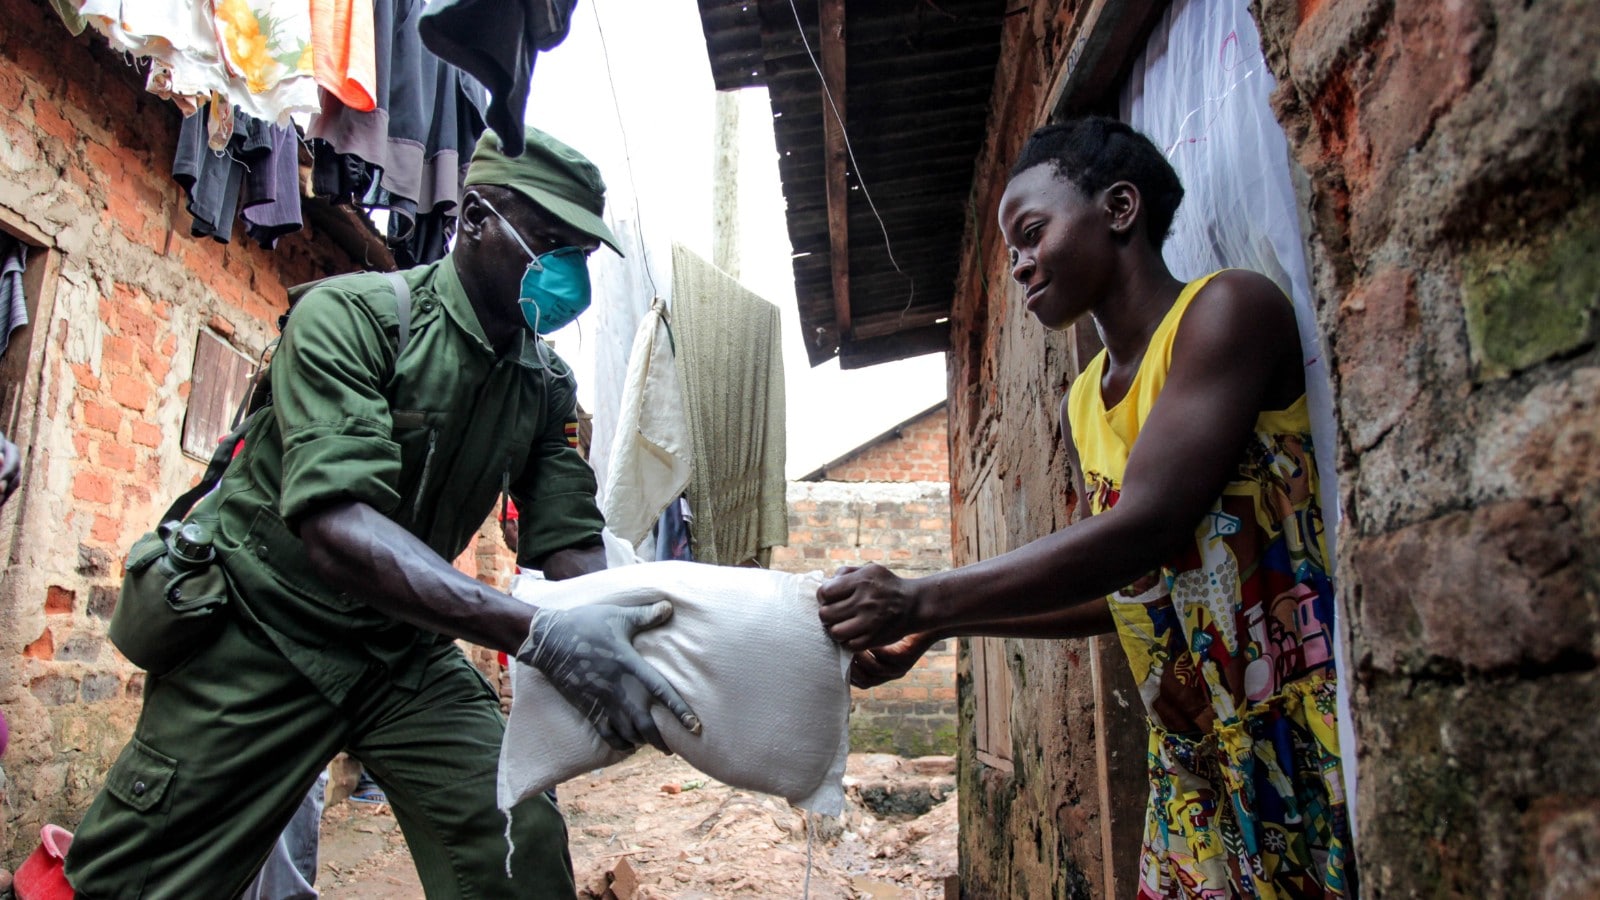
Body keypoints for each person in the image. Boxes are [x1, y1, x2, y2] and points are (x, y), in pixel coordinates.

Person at [65, 126, 700, 899]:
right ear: (471, 218)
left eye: (581, 254)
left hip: (403, 654)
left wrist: (670, 644)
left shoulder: (543, 385)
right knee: (142, 881)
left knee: (518, 837)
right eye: (548, 241)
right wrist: (538, 633)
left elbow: (569, 549)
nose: (568, 273)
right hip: (265, 631)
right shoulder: (352, 319)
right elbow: (337, 530)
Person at [817, 117, 1352, 898]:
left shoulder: (1227, 311)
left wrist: (920, 594)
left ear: (1121, 208)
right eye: (1012, 252)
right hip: (1195, 761)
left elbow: (1149, 526)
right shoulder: (1084, 402)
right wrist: (934, 628)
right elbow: (1131, 590)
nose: (1023, 266)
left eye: (1032, 233)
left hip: (1293, 736)